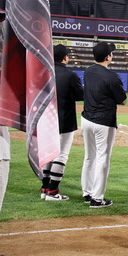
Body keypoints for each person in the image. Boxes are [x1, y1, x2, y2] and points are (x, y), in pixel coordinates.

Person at [80, 42, 127, 207]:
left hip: (86, 119)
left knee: (89, 157)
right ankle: (97, 198)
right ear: (108, 57)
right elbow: (122, 100)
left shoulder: (88, 71)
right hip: (103, 122)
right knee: (102, 158)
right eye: (111, 53)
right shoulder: (111, 76)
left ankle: (87, 192)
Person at [41, 44, 83, 201]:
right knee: (61, 154)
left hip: (46, 119)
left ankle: (45, 187)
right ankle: (52, 191)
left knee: (48, 153)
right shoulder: (70, 75)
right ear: (65, 57)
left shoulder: (45, 72)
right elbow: (80, 95)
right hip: (64, 119)